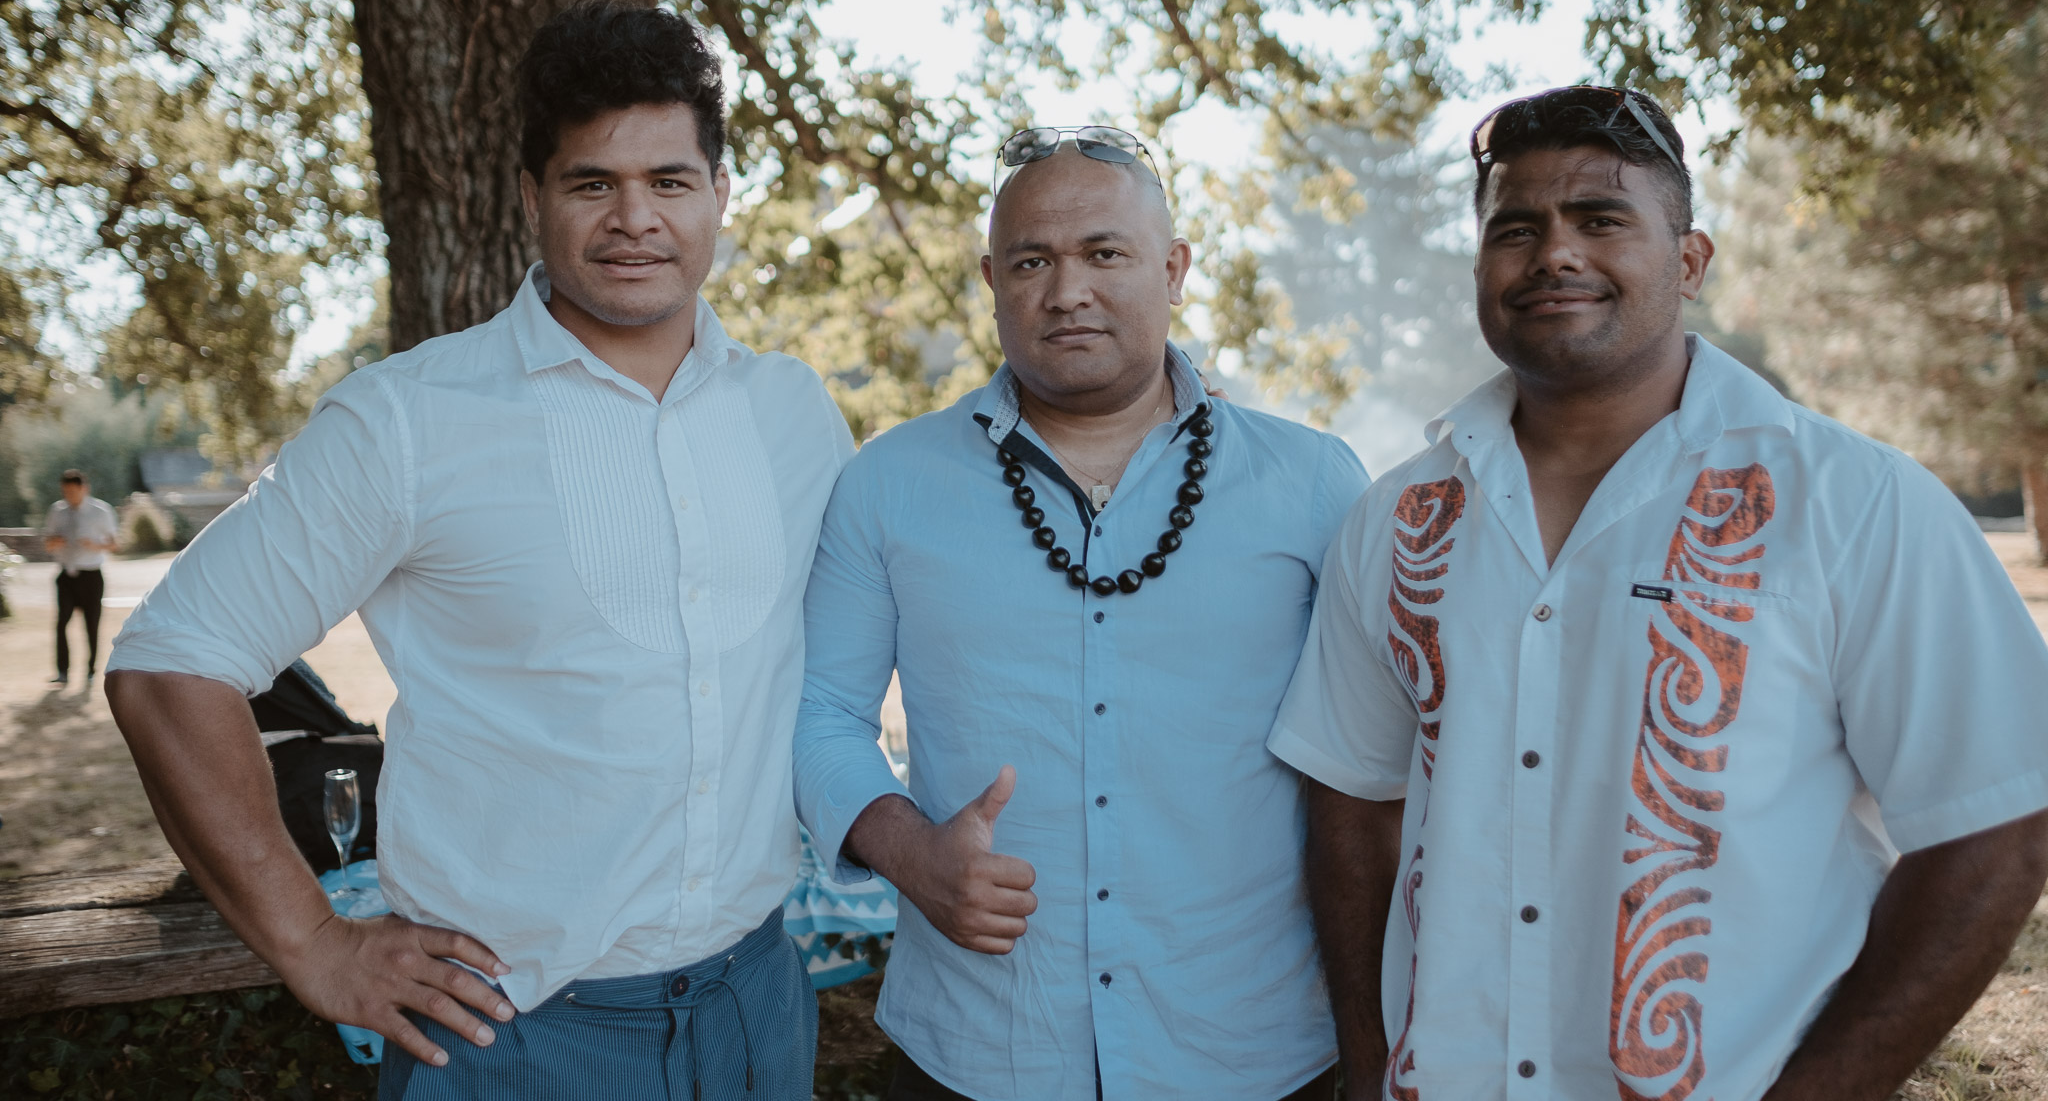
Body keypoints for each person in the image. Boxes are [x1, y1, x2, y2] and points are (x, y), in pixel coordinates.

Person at [104, 0, 853, 1100]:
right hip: (514, 1037)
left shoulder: (794, 413)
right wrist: (314, 942)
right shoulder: (409, 419)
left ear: (719, 194)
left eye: (670, 180)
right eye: (592, 182)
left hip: (757, 1009)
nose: (634, 217)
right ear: (530, 198)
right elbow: (173, 664)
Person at [1271, 85, 2048, 1101]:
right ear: (1479, 269)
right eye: (1515, 227)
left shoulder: (1853, 502)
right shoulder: (1397, 519)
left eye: (1599, 218)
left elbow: (1993, 826)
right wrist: (1368, 1066)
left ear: (1688, 261)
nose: (1553, 252)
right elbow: (1351, 803)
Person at [794, 125, 1369, 1100]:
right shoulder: (888, 482)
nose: (1066, 290)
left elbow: (1372, 761)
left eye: (1104, 253)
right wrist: (913, 855)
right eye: (1031, 260)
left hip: (1252, 1051)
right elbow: (817, 709)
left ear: (1174, 266)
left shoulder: (1311, 484)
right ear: (990, 276)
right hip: (975, 1051)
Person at [44, 468, 118, 686]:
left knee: (91, 625)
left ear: (84, 489)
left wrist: (95, 546)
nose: (69, 496)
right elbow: (47, 543)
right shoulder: (57, 511)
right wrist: (54, 543)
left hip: (91, 575)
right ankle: (62, 672)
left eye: (73, 491)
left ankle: (91, 670)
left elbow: (115, 544)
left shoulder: (101, 511)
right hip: (66, 575)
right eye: (65, 492)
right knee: (61, 624)